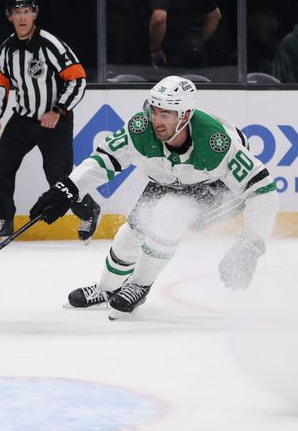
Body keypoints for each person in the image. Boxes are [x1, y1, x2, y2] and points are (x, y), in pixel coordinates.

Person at [29, 75, 278, 319]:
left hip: (213, 186)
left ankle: (139, 285)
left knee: (170, 216)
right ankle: (108, 288)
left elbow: (263, 188)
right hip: (167, 179)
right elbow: (103, 160)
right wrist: (67, 189)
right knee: (132, 232)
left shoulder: (216, 143)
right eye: (154, 111)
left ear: (186, 116)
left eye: (165, 115)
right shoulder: (140, 128)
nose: (157, 121)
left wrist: (251, 244)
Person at [0, 0, 97, 242]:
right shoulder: (7, 48)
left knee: (58, 177)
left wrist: (58, 110)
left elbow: (78, 79)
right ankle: (3, 221)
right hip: (23, 119)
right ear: (10, 17)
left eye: (26, 11)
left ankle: (89, 210)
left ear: (35, 14)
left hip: (54, 120)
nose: (22, 17)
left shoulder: (50, 44)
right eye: (17, 12)